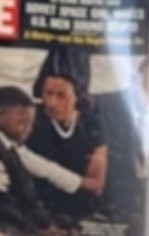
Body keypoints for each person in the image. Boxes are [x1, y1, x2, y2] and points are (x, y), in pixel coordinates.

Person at [0, 86, 85, 236]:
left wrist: (53, 224)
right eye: (21, 122)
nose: (27, 129)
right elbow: (4, 205)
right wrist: (37, 232)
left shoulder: (9, 147)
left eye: (30, 124)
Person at [26, 49, 107, 227]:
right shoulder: (29, 116)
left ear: (78, 96)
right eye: (48, 93)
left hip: (78, 214)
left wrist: (48, 171)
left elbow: (96, 185)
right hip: (35, 214)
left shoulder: (91, 124)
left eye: (61, 95)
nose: (52, 102)